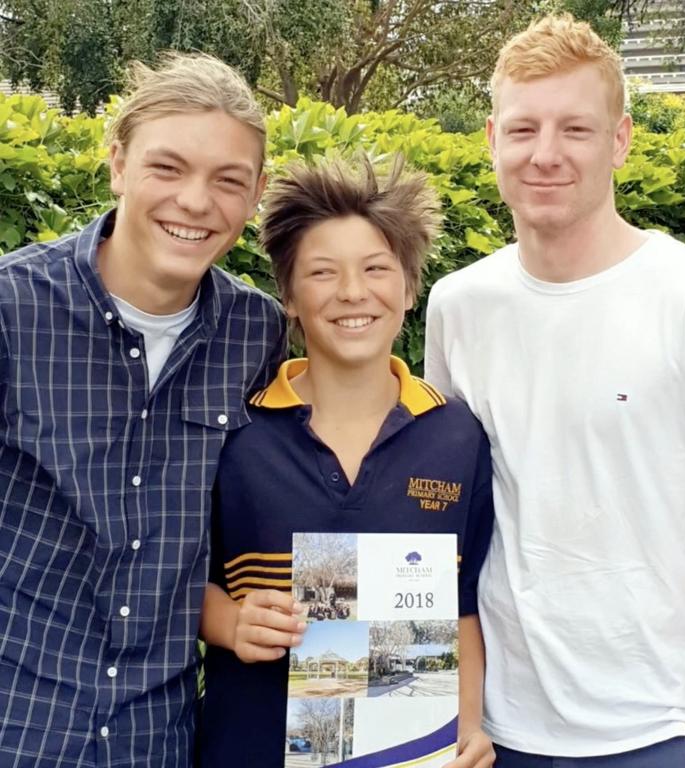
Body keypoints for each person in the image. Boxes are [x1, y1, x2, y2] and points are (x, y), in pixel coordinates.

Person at [425, 14, 685, 768]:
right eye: (523, 130)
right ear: (491, 139)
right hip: (493, 735)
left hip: (654, 732)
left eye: (575, 129)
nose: (545, 155)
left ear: (620, 139)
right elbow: (438, 512)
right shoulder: (457, 305)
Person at [0, 53, 285, 767]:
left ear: (256, 196)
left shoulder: (258, 334)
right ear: (118, 163)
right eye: (168, 168)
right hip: (19, 729)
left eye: (228, 181)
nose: (196, 202)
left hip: (157, 743)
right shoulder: (12, 310)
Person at [197, 156, 496, 768]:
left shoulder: (458, 437)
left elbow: (462, 607)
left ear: (410, 288)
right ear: (289, 296)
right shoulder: (237, 434)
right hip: (250, 747)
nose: (353, 293)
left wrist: (467, 727)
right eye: (323, 272)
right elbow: (169, 573)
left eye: (376, 269)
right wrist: (228, 623)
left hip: (408, 754)